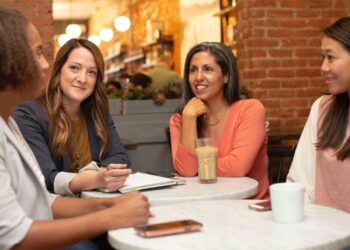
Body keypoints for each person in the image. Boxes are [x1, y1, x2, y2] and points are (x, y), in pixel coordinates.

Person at [0, 6, 150, 250]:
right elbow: (14, 237)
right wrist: (110, 213)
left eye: (91, 72)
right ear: (10, 61)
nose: (45, 65)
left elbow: (44, 200)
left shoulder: (8, 124)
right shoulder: (26, 114)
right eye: (38, 53)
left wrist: (108, 206)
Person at [14, 38, 131, 196]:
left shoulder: (98, 111)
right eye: (75, 68)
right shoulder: (29, 114)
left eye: (91, 72)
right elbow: (45, 177)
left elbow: (120, 158)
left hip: (95, 203)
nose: (83, 79)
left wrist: (94, 174)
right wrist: (96, 178)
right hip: (54, 212)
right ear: (59, 70)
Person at [169, 42, 269, 199]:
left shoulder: (250, 109)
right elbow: (187, 171)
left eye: (207, 69)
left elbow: (238, 167)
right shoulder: (180, 119)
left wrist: (198, 167)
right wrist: (189, 118)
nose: (198, 77)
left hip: (249, 208)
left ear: (226, 76)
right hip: (205, 207)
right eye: (193, 70)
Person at [287, 17, 350, 213]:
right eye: (322, 57)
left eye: (330, 57)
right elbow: (300, 180)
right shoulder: (322, 108)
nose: (323, 67)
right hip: (326, 233)